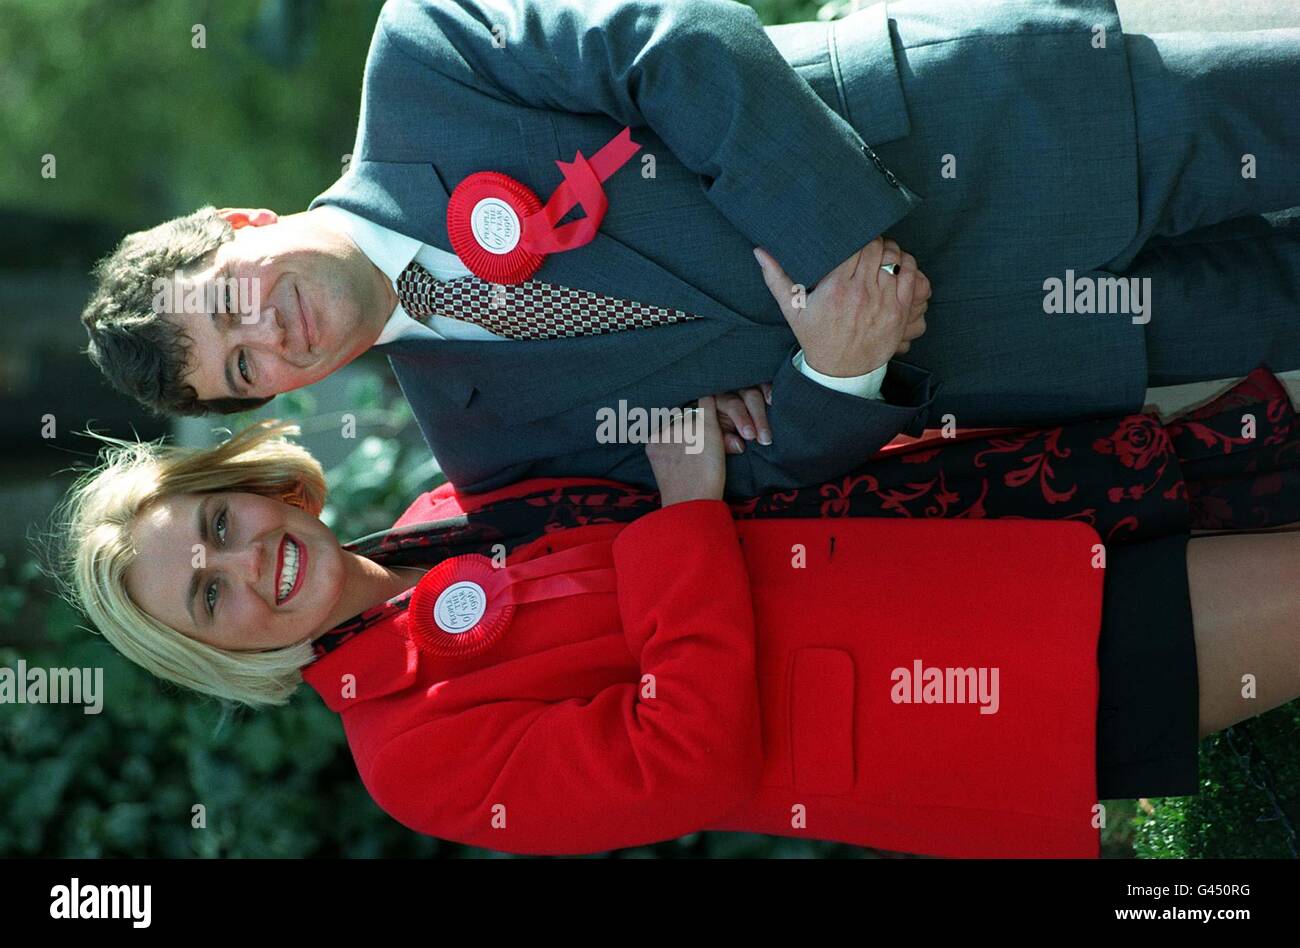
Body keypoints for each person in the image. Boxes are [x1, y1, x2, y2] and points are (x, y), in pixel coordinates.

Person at [52, 368, 1300, 857]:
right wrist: (687, 511)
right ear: (222, 653)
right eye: (207, 599)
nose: (246, 561)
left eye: (216, 524)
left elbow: (668, 465)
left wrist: (720, 423)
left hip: (972, 509)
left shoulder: (446, 506)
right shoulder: (413, 760)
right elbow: (684, 761)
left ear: (253, 485)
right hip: (987, 680)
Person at [77, 0, 1300, 495]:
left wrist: (834, 256)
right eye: (240, 368)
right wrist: (836, 375)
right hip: (1012, 342)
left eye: (229, 301)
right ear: (273, 399)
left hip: (996, 137)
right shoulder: (490, 452)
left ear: (240, 226)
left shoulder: (425, 55)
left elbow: (675, 39)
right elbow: (750, 488)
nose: (266, 333)